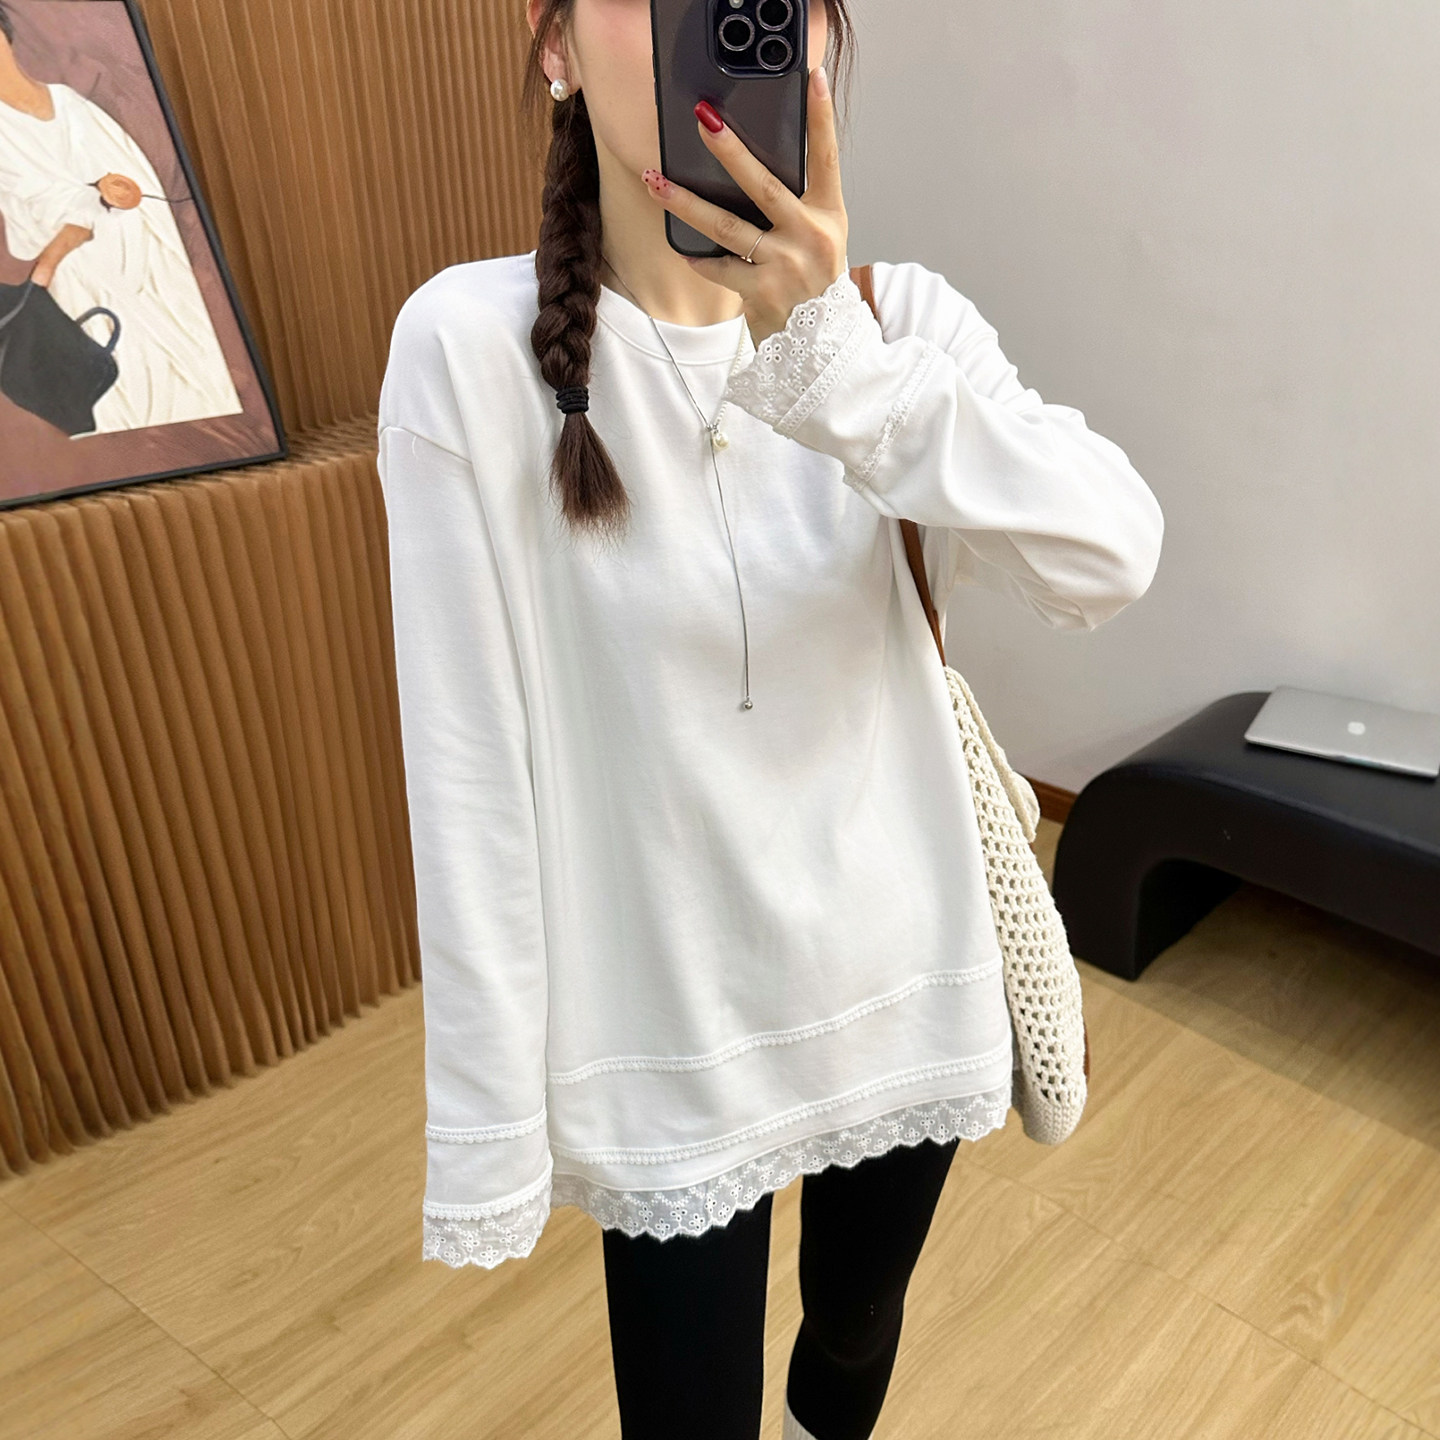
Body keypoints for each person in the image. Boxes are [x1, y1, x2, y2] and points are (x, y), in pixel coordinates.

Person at [375, 2, 1165, 1437]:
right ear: (555, 49)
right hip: (669, 1030)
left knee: (852, 1339)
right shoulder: (465, 351)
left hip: (901, 977)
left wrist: (836, 367)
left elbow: (1112, 554)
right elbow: (470, 775)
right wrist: (491, 1129)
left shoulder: (895, 323)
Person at [0, 0, 241, 435]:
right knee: (125, 382)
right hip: (79, 273)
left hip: (141, 262)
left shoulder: (70, 103)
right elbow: (29, 211)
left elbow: (137, 187)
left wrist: (116, 192)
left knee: (185, 364)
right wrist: (79, 215)